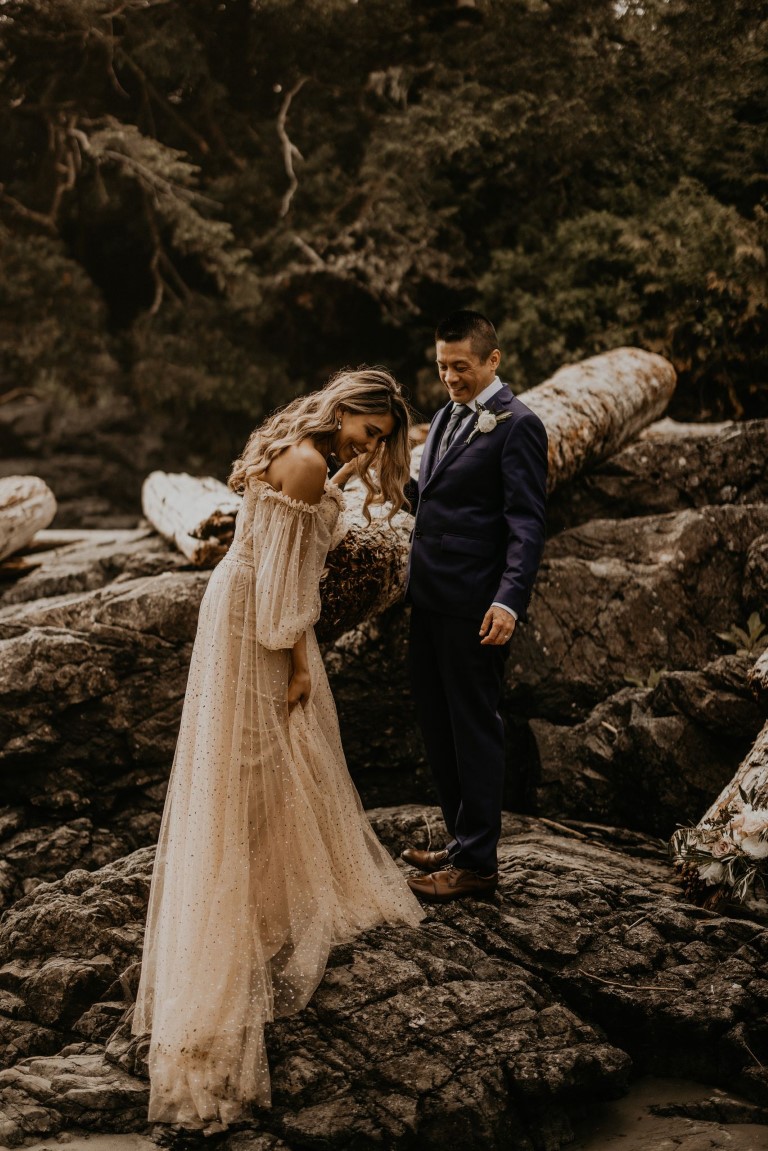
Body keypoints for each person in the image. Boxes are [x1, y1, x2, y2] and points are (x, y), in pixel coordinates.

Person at [132, 368, 423, 1128]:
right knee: (260, 763)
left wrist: (345, 477)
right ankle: (251, 920)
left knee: (255, 766)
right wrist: (298, 662)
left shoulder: (304, 451)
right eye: (372, 430)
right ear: (350, 408)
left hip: (248, 606)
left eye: (384, 441)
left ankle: (257, 904)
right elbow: (283, 591)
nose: (373, 444)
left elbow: (279, 553)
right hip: (259, 624)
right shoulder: (309, 461)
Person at [403, 310, 548, 902]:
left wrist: (509, 600)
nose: (451, 377)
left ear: (492, 360)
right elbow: (431, 497)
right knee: (438, 725)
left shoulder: (519, 426)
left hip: (475, 605)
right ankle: (462, 843)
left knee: (474, 727)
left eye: (461, 366)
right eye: (442, 366)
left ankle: (479, 866)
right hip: (428, 598)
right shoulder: (442, 418)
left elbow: (527, 524)